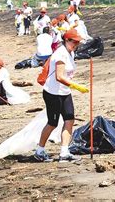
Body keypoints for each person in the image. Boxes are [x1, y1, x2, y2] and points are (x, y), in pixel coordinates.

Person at [34, 29, 89, 162]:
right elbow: (59, 76)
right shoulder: (60, 54)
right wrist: (76, 86)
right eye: (74, 41)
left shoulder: (71, 52)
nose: (76, 44)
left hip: (64, 92)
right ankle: (40, 150)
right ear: (67, 40)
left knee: (69, 119)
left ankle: (64, 152)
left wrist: (71, 87)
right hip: (53, 93)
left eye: (78, 42)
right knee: (52, 123)